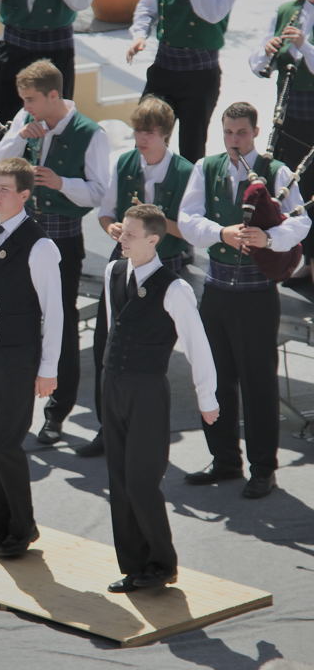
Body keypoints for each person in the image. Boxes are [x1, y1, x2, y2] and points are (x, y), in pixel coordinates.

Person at [178, 102, 309, 499]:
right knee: (214, 378)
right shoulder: (207, 167)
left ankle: (263, 469)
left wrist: (269, 239)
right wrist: (222, 233)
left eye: (241, 133)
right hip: (217, 291)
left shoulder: (276, 171)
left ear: (254, 133)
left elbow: (301, 221)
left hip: (256, 295)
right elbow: (187, 219)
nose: (234, 141)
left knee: (257, 384)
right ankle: (225, 460)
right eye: (229, 132)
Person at [0, 58, 110, 445]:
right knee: (15, 317)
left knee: (58, 321)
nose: (25, 106)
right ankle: (11, 406)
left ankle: (57, 412)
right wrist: (16, 139)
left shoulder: (91, 132)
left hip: (62, 236)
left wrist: (62, 183)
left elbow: (98, 193)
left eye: (31, 99)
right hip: (23, 230)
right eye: (23, 99)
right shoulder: (25, 119)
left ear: (54, 95)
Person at [102, 204, 218, 594]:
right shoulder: (114, 270)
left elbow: (196, 345)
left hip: (148, 391)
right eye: (122, 232)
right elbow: (114, 323)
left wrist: (208, 398)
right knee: (118, 480)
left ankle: (161, 563)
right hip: (112, 385)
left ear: (153, 240)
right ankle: (134, 565)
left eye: (130, 235)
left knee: (141, 481)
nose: (122, 239)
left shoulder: (175, 288)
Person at [79, 95, 194, 458]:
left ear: (165, 135)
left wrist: (151, 226)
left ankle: (144, 436)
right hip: (124, 265)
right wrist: (115, 227)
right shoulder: (125, 162)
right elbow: (106, 212)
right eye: (137, 131)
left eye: (148, 133)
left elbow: (191, 230)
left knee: (149, 355)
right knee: (106, 346)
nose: (140, 139)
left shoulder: (186, 172)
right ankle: (107, 428)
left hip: (164, 268)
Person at [0, 157, 62, 559]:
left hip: (18, 358)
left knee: (6, 443)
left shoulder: (39, 244)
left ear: (24, 195)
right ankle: (0, 527)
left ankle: (22, 528)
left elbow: (54, 312)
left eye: (3, 189)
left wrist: (48, 369)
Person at [0, 0, 95, 218]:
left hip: (56, 49)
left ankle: (46, 206)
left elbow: (81, 1)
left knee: (54, 130)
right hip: (14, 46)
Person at [127, 0, 238, 163]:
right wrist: (139, 35)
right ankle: (142, 186)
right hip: (163, 69)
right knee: (147, 134)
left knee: (191, 147)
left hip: (199, 77)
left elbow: (213, 13)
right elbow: (147, 7)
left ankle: (187, 188)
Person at [250, 0, 314, 285]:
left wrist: (305, 45)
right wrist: (268, 50)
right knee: (289, 188)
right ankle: (298, 259)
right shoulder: (287, 9)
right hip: (287, 114)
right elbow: (258, 64)